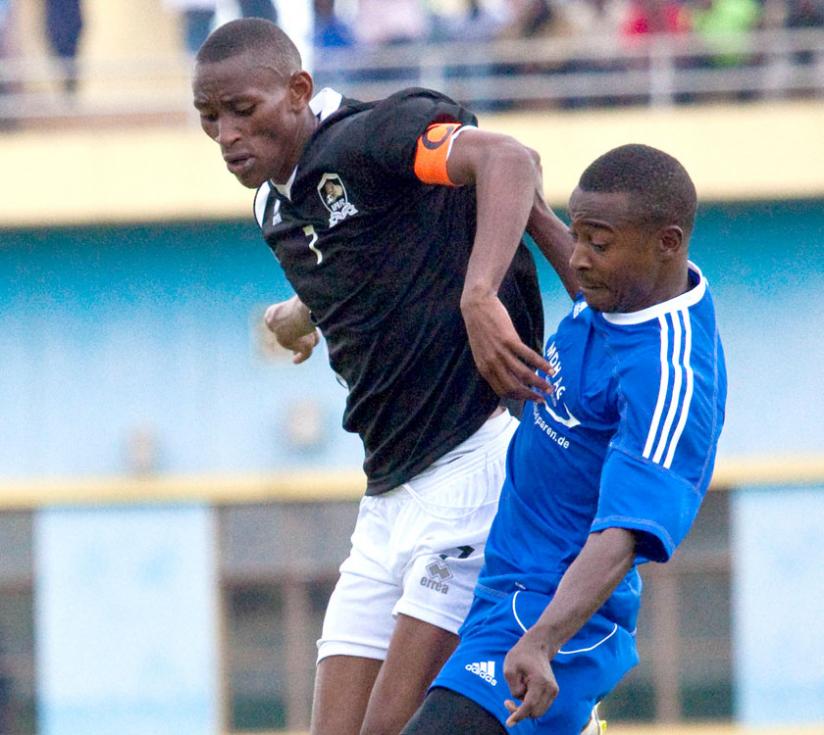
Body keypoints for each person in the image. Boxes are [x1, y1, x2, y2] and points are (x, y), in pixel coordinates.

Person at [192, 18, 576, 735]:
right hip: (387, 502)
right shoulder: (272, 204)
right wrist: (299, 315)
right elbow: (371, 259)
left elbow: (510, 162)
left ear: (299, 91)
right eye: (209, 119)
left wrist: (480, 294)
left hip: (470, 466)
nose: (226, 134)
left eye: (242, 110)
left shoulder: (370, 139)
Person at [401, 144, 728, 735]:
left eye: (597, 244)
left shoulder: (671, 375)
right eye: (577, 236)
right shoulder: (620, 295)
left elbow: (624, 533)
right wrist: (523, 202)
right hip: (499, 583)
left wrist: (543, 642)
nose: (579, 259)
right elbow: (580, 272)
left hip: (552, 615)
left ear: (668, 242)